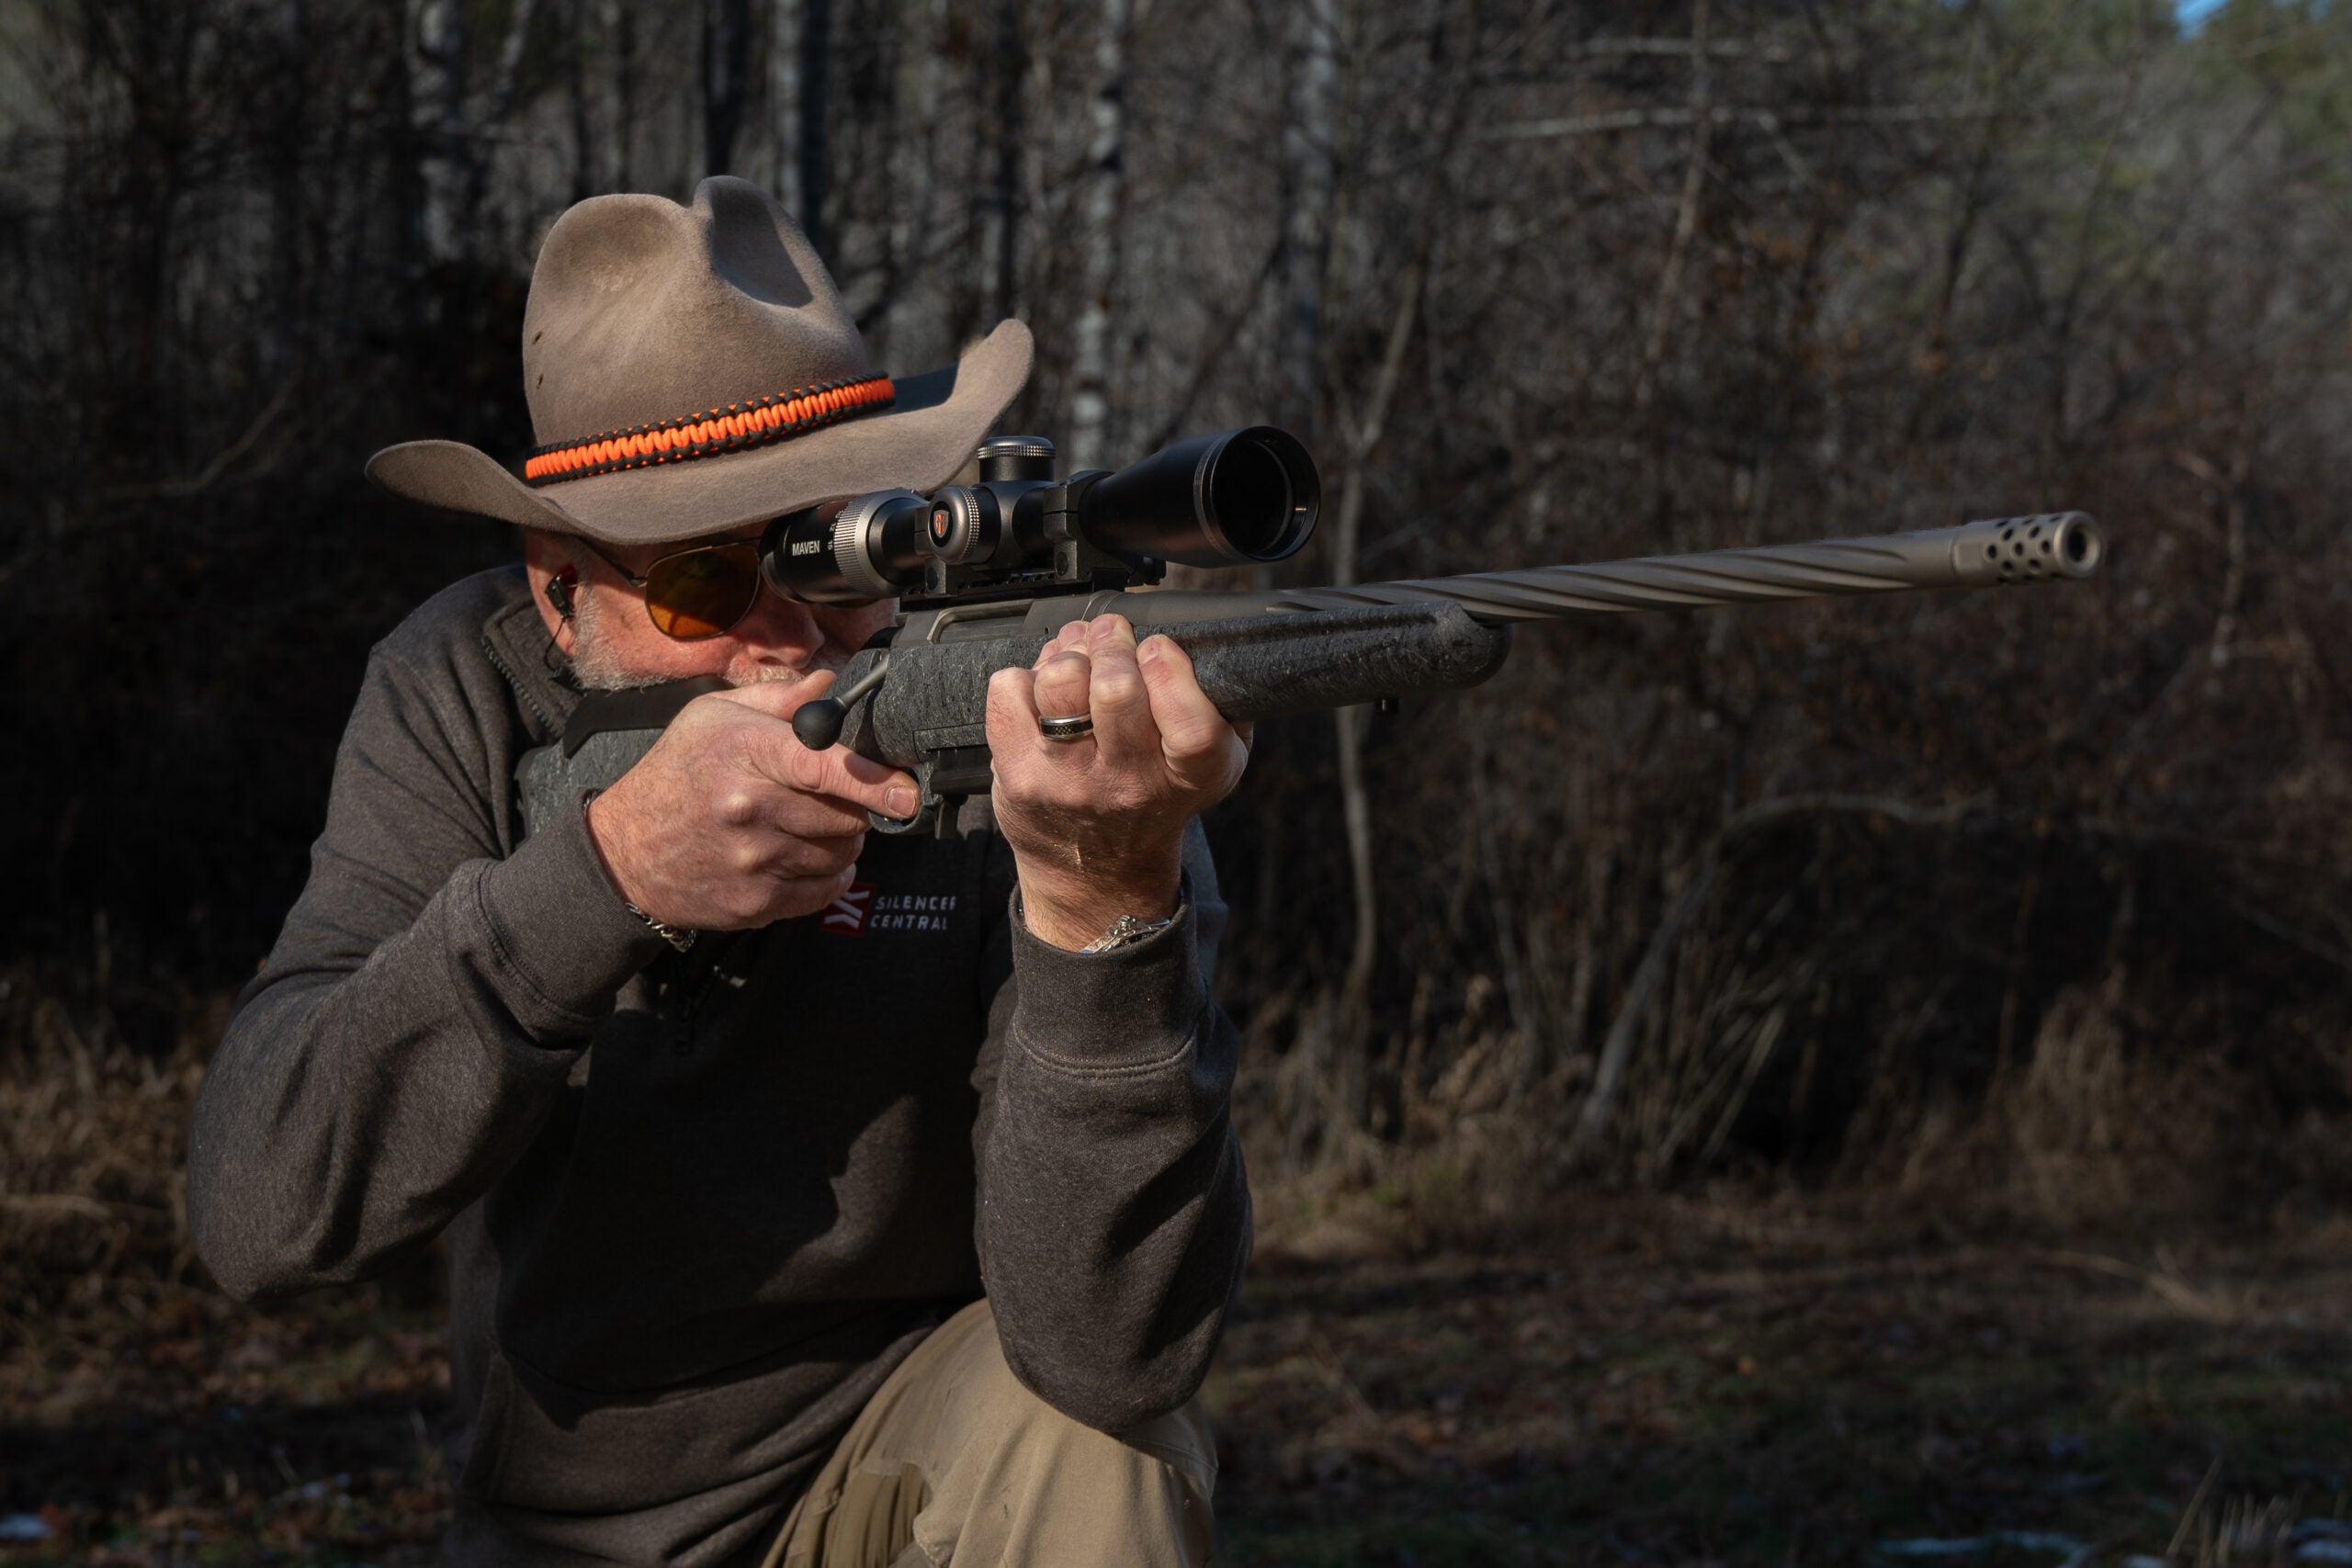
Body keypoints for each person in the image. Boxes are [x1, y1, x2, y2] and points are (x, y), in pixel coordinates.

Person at [187, 176, 1252, 1568]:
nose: (787, 641)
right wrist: (604, 877)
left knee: (1099, 1449)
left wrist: (1101, 909)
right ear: (557, 587)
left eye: (842, 562)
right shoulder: (458, 689)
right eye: (702, 583)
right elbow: (257, 1210)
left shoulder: (1034, 709)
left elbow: (1117, 1352)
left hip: (913, 1477)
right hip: (570, 1524)